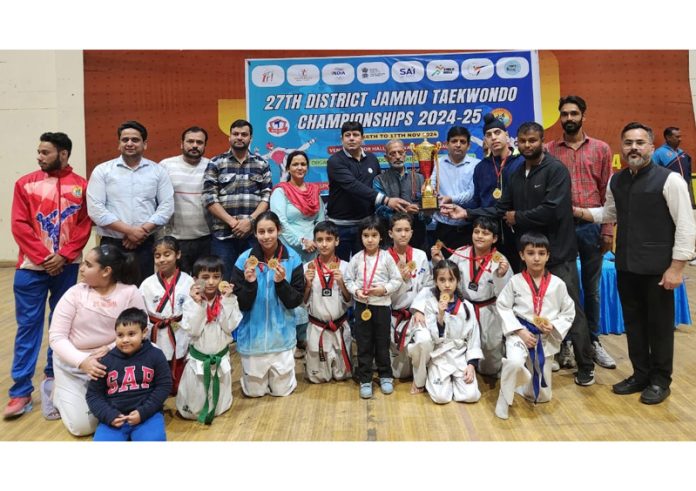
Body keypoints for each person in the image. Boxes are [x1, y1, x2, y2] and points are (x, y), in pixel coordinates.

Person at [440, 121, 597, 386]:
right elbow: (501, 208)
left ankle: (586, 362)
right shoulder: (516, 174)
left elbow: (553, 209)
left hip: (557, 252)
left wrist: (517, 216)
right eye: (523, 141)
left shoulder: (556, 170)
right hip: (526, 253)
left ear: (541, 140)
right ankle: (534, 354)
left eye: (532, 140)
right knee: (527, 307)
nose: (527, 145)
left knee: (570, 306)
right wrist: (467, 213)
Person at [575, 122, 696, 405]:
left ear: (652, 148)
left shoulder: (670, 180)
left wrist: (677, 267)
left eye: (640, 143)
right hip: (626, 267)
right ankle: (640, 374)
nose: (634, 148)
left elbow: (687, 227)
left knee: (659, 328)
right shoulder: (617, 180)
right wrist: (579, 211)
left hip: (659, 270)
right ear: (622, 147)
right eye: (628, 142)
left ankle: (660, 380)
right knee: (635, 325)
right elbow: (609, 213)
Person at [4, 132, 92, 420]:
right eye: (39, 152)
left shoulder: (81, 186)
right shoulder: (25, 184)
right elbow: (19, 225)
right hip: (30, 269)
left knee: (61, 326)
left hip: (66, 267)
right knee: (28, 328)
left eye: (45, 152)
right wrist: (44, 258)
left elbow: (83, 225)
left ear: (63, 154)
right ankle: (20, 392)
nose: (39, 157)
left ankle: (54, 379)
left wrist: (64, 256)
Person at [546, 95, 617, 371]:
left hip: (591, 226)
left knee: (592, 288)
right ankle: (563, 344)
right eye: (564, 114)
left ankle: (593, 342)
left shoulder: (601, 149)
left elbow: (607, 194)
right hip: (560, 229)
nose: (569, 119)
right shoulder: (550, 150)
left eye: (574, 113)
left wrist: (608, 230)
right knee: (561, 289)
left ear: (583, 116)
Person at [48, 244, 145, 436]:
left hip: (115, 361)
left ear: (106, 271)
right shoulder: (74, 293)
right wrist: (83, 361)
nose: (82, 268)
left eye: (88, 264)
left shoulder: (130, 292)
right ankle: (57, 392)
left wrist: (111, 348)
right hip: (74, 366)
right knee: (83, 427)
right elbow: (56, 337)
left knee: (125, 414)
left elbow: (143, 330)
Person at [494, 232, 575, 420]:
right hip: (520, 333)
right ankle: (504, 398)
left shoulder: (558, 284)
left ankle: (518, 383)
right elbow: (503, 306)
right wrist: (519, 331)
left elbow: (569, 312)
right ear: (522, 255)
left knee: (541, 396)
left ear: (548, 255)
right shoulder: (515, 281)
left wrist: (553, 326)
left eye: (541, 253)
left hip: (544, 337)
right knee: (514, 362)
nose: (536, 258)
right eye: (530, 253)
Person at [87, 120, 174, 286]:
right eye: (124, 140)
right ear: (119, 144)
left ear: (145, 144)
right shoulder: (103, 171)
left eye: (135, 140)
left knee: (141, 291)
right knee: (108, 290)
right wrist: (129, 231)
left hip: (145, 244)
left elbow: (167, 207)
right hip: (111, 244)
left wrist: (141, 232)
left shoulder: (157, 171)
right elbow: (96, 209)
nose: (129, 143)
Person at [231, 211, 305, 397]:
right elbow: (241, 305)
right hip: (252, 338)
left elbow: (295, 301)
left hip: (282, 336)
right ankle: (251, 378)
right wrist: (250, 284)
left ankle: (283, 377)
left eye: (270, 230)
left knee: (282, 391)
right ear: (255, 234)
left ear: (278, 230)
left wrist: (281, 283)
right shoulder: (244, 261)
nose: (266, 236)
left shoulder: (293, 258)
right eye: (261, 232)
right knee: (254, 393)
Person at [430, 217, 512, 377]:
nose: (480, 236)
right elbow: (447, 278)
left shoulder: (501, 261)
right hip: (464, 307)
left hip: (488, 309)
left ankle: (497, 357)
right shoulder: (461, 253)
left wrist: (501, 275)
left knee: (489, 366)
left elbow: (506, 294)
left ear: (494, 238)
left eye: (485, 233)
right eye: (476, 232)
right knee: (460, 347)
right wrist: (438, 261)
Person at [326, 121, 412, 261]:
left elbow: (378, 185)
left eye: (356, 135)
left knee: (366, 268)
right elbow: (352, 185)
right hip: (341, 227)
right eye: (347, 135)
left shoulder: (372, 159)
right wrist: (386, 200)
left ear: (362, 138)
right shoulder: (335, 161)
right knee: (339, 269)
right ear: (342, 139)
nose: (352, 138)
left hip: (366, 226)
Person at [85, 308, 172, 441]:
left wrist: (143, 412)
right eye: (120, 335)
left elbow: (164, 386)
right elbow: (93, 394)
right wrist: (109, 415)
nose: (125, 340)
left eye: (131, 334)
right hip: (115, 418)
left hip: (147, 416)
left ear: (144, 333)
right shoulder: (106, 360)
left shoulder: (156, 355)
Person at [270, 149, 325, 357]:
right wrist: (301, 241)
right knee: (291, 292)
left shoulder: (314, 190)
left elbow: (320, 219)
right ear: (288, 168)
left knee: (310, 290)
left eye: (303, 164)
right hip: (290, 249)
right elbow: (280, 222)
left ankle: (305, 336)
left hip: (314, 249)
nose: (300, 168)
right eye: (295, 164)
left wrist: (318, 242)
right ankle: (290, 337)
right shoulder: (280, 191)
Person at [202, 119, 271, 281]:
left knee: (253, 280)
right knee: (223, 282)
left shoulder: (262, 164)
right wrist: (233, 223)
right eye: (235, 134)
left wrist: (249, 222)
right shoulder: (216, 163)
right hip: (223, 237)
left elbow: (266, 197)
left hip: (252, 236)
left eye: (244, 134)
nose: (239, 137)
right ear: (229, 137)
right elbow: (209, 198)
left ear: (250, 138)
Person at [176, 256, 241, 423]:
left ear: (222, 278)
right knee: (195, 399)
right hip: (198, 360)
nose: (211, 282)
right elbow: (194, 330)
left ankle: (219, 407)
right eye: (205, 277)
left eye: (216, 277)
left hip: (220, 357)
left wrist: (226, 300)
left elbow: (229, 327)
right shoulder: (190, 302)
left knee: (220, 403)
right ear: (195, 279)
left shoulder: (229, 299)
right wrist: (198, 304)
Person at [344, 215, 403, 399]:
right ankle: (365, 378)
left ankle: (385, 375)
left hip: (383, 307)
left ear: (381, 237)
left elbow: (397, 279)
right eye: (366, 235)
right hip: (363, 306)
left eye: (374, 235)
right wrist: (356, 292)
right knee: (364, 343)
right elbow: (348, 279)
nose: (370, 240)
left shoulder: (386, 258)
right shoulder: (356, 258)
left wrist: (383, 290)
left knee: (382, 342)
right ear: (361, 237)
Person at [139, 236, 194, 395]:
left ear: (178, 255)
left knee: (178, 385)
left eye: (167, 254)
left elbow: (192, 310)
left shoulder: (188, 280)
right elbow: (143, 312)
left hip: (178, 326)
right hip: (156, 329)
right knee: (158, 364)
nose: (162, 259)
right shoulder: (147, 284)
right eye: (158, 256)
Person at [422, 259, 482, 404]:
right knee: (441, 398)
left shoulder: (467, 306)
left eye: (451, 279)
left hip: (460, 355)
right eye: (442, 280)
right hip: (440, 356)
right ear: (435, 281)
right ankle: (442, 381)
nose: (447, 285)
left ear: (458, 281)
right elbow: (433, 337)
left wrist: (471, 364)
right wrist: (440, 315)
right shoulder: (431, 304)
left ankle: (456, 383)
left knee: (471, 396)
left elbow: (474, 338)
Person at [385, 213, 433, 394]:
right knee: (399, 373)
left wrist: (419, 309)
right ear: (390, 233)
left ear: (412, 233)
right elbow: (381, 291)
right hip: (392, 315)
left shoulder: (420, 255)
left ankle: (419, 382)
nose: (403, 234)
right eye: (398, 230)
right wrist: (399, 281)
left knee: (425, 341)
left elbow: (428, 286)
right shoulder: (384, 258)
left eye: (406, 230)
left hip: (415, 314)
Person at [470, 114, 525, 272]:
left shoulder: (522, 162)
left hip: (517, 232)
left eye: (497, 133)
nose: (493, 138)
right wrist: (454, 207)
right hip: (490, 235)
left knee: (519, 275)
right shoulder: (481, 168)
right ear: (485, 141)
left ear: (507, 136)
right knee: (493, 277)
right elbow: (476, 202)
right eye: (488, 135)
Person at [302, 221, 353, 383]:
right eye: (320, 240)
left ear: (337, 241)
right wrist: (308, 285)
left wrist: (341, 284)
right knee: (318, 378)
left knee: (342, 376)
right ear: (315, 242)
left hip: (339, 326)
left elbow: (350, 301)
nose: (324, 244)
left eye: (328, 239)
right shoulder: (306, 268)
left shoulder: (346, 267)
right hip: (317, 328)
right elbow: (302, 303)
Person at [159, 126, 212, 274]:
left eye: (199, 142)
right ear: (181, 144)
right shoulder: (166, 165)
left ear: (204, 145)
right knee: (176, 285)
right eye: (190, 141)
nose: (195, 145)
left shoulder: (212, 166)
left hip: (205, 239)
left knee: (203, 284)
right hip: (175, 238)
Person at [431, 126, 481, 251]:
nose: (458, 145)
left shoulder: (477, 165)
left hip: (468, 227)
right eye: (454, 141)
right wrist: (430, 194)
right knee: (443, 268)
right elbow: (431, 185)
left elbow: (472, 193)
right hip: (443, 226)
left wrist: (450, 199)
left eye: (462, 142)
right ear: (447, 144)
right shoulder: (437, 163)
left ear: (468, 146)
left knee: (467, 267)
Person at [373, 139, 428, 250]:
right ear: (386, 158)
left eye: (400, 152)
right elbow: (379, 211)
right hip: (390, 239)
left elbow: (427, 218)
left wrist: (424, 212)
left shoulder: (420, 178)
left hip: (417, 236)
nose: (397, 157)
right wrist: (405, 212)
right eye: (392, 153)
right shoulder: (379, 180)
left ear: (405, 154)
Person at [652, 126, 694, 206]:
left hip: (685, 189)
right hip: (670, 191)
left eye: (680, 136)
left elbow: (688, 171)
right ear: (668, 137)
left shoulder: (683, 154)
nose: (680, 139)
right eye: (677, 137)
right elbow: (653, 174)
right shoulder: (658, 153)